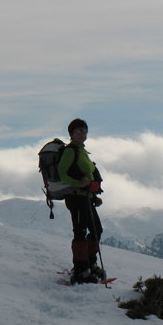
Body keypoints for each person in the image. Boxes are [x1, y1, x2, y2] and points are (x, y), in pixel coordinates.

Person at [58, 118, 106, 284]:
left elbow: (89, 176)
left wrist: (93, 196)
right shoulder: (70, 151)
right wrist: (79, 183)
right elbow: (62, 174)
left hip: (85, 198)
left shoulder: (82, 151)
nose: (82, 134)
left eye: (85, 131)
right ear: (71, 134)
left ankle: (90, 264)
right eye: (79, 131)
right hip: (75, 198)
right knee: (80, 232)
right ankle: (80, 269)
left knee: (96, 230)